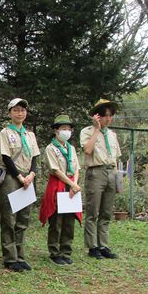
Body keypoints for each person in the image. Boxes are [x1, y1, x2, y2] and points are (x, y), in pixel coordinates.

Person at [0, 98, 40, 272]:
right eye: (16, 110)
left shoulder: (30, 135)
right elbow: (6, 158)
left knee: (23, 218)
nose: (20, 113)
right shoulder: (5, 133)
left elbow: (35, 157)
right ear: (9, 113)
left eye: (22, 110)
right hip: (12, 178)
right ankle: (10, 257)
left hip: (28, 179)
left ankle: (20, 255)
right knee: (9, 218)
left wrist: (31, 174)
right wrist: (20, 177)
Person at [80, 98, 121, 259]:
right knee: (93, 211)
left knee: (106, 212)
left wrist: (117, 178)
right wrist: (97, 130)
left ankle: (103, 245)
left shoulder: (112, 135)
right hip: (95, 172)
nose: (108, 119)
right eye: (105, 116)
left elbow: (115, 158)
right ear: (97, 116)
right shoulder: (87, 131)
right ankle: (92, 246)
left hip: (111, 172)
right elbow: (88, 151)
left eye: (110, 116)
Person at [39, 115, 82, 265]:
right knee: (56, 220)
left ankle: (66, 250)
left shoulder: (71, 148)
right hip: (58, 185)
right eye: (63, 129)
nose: (66, 131)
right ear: (56, 130)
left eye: (69, 129)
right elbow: (55, 170)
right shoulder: (51, 149)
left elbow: (76, 168)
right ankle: (54, 252)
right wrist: (71, 183)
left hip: (72, 187)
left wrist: (74, 185)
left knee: (69, 221)